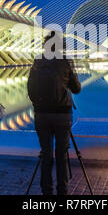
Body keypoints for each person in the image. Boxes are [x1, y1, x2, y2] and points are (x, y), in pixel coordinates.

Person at [27, 31, 81, 195]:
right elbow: (77, 89)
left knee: (46, 154)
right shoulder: (65, 62)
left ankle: (46, 192)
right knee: (61, 155)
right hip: (62, 115)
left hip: (41, 115)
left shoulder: (37, 62)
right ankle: (62, 191)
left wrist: (39, 105)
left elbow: (30, 89)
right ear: (61, 45)